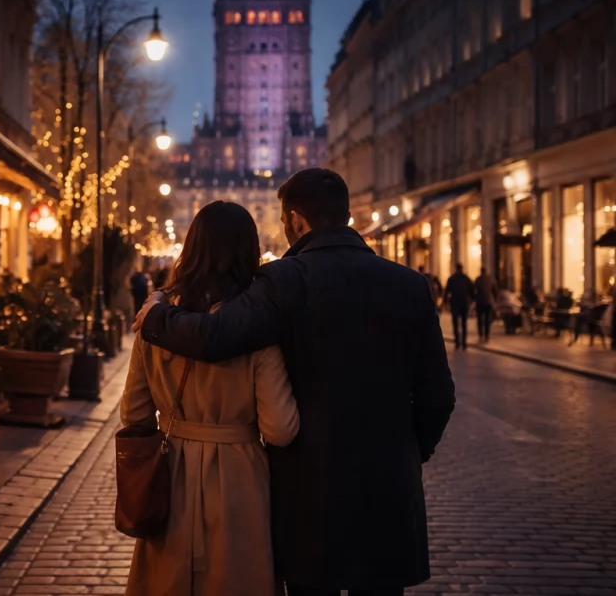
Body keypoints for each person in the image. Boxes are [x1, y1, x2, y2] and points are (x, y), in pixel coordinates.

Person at [133, 168, 455, 595]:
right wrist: (411, 449)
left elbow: (214, 337)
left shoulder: (284, 280)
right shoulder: (411, 285)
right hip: (389, 488)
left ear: (297, 220)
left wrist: (155, 317)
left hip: (308, 491)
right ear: (345, 215)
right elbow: (438, 396)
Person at [122, 201, 299, 595]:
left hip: (170, 474)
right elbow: (281, 428)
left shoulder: (155, 317)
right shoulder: (256, 327)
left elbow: (132, 412)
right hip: (240, 478)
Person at [444, 264, 474, 350]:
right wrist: (472, 300)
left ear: (456, 269)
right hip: (464, 303)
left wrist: (446, 302)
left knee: (455, 323)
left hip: (455, 303)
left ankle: (457, 342)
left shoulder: (452, 279)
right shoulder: (466, 279)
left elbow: (447, 291)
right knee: (464, 323)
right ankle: (464, 342)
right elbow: (471, 290)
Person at [474, 268, 497, 342]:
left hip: (480, 302)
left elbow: (474, 290)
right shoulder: (491, 279)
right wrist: (494, 299)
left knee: (480, 319)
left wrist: (475, 299)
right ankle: (487, 335)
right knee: (487, 319)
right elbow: (495, 290)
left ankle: (481, 335)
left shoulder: (478, 279)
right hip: (488, 302)